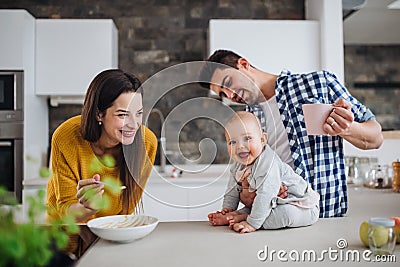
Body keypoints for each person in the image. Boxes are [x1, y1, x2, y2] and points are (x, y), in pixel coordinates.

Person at [200, 50, 383, 218]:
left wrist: (346, 128)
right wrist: (247, 194)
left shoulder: (318, 83)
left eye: (228, 83)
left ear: (244, 64)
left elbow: (376, 138)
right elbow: (249, 176)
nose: (230, 95)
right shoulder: (248, 118)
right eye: (223, 94)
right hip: (276, 217)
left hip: (325, 214)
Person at [46, 69, 157, 253]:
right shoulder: (66, 137)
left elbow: (125, 213)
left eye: (139, 113)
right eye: (122, 115)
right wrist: (87, 207)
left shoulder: (146, 143)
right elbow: (66, 211)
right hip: (61, 240)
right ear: (99, 114)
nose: (134, 124)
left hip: (106, 239)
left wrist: (97, 246)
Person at [208, 111, 319, 233]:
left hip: (301, 206)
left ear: (262, 140)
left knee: (285, 214)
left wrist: (252, 224)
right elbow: (232, 190)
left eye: (247, 138)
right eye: (232, 142)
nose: (240, 146)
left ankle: (248, 218)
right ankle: (234, 215)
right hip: (273, 204)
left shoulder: (268, 163)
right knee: (257, 207)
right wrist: (227, 209)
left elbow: (266, 196)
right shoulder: (238, 167)